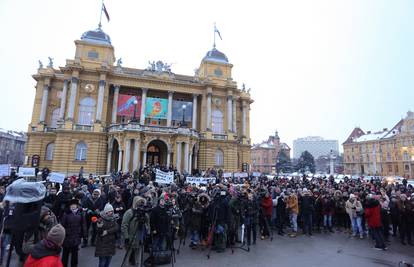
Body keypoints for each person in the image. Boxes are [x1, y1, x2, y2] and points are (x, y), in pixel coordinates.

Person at [61, 199, 87, 267]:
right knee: (65, 254)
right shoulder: (66, 213)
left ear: (77, 206)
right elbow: (62, 225)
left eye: (74, 205)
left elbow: (83, 224)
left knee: (75, 254)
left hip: (76, 236)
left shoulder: (80, 213)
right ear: (69, 206)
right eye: (71, 205)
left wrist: (84, 235)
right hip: (67, 236)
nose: (73, 206)